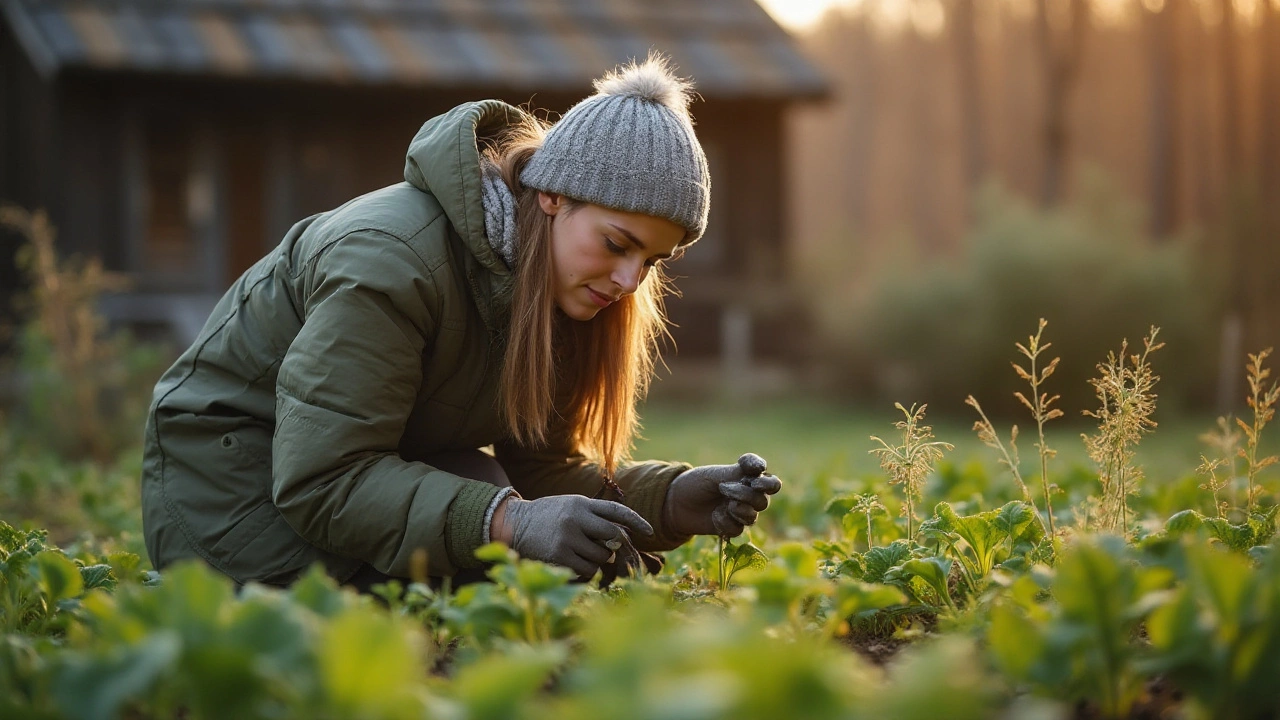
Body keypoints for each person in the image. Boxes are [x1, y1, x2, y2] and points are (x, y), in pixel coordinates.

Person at [140, 54, 782, 589]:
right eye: (618, 244)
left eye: (652, 260)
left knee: (498, 523)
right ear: (552, 196)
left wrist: (671, 499)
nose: (628, 281)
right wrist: (506, 522)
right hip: (228, 488)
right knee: (482, 555)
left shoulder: (563, 288)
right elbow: (322, 477)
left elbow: (542, 469)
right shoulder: (391, 263)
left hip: (346, 477)